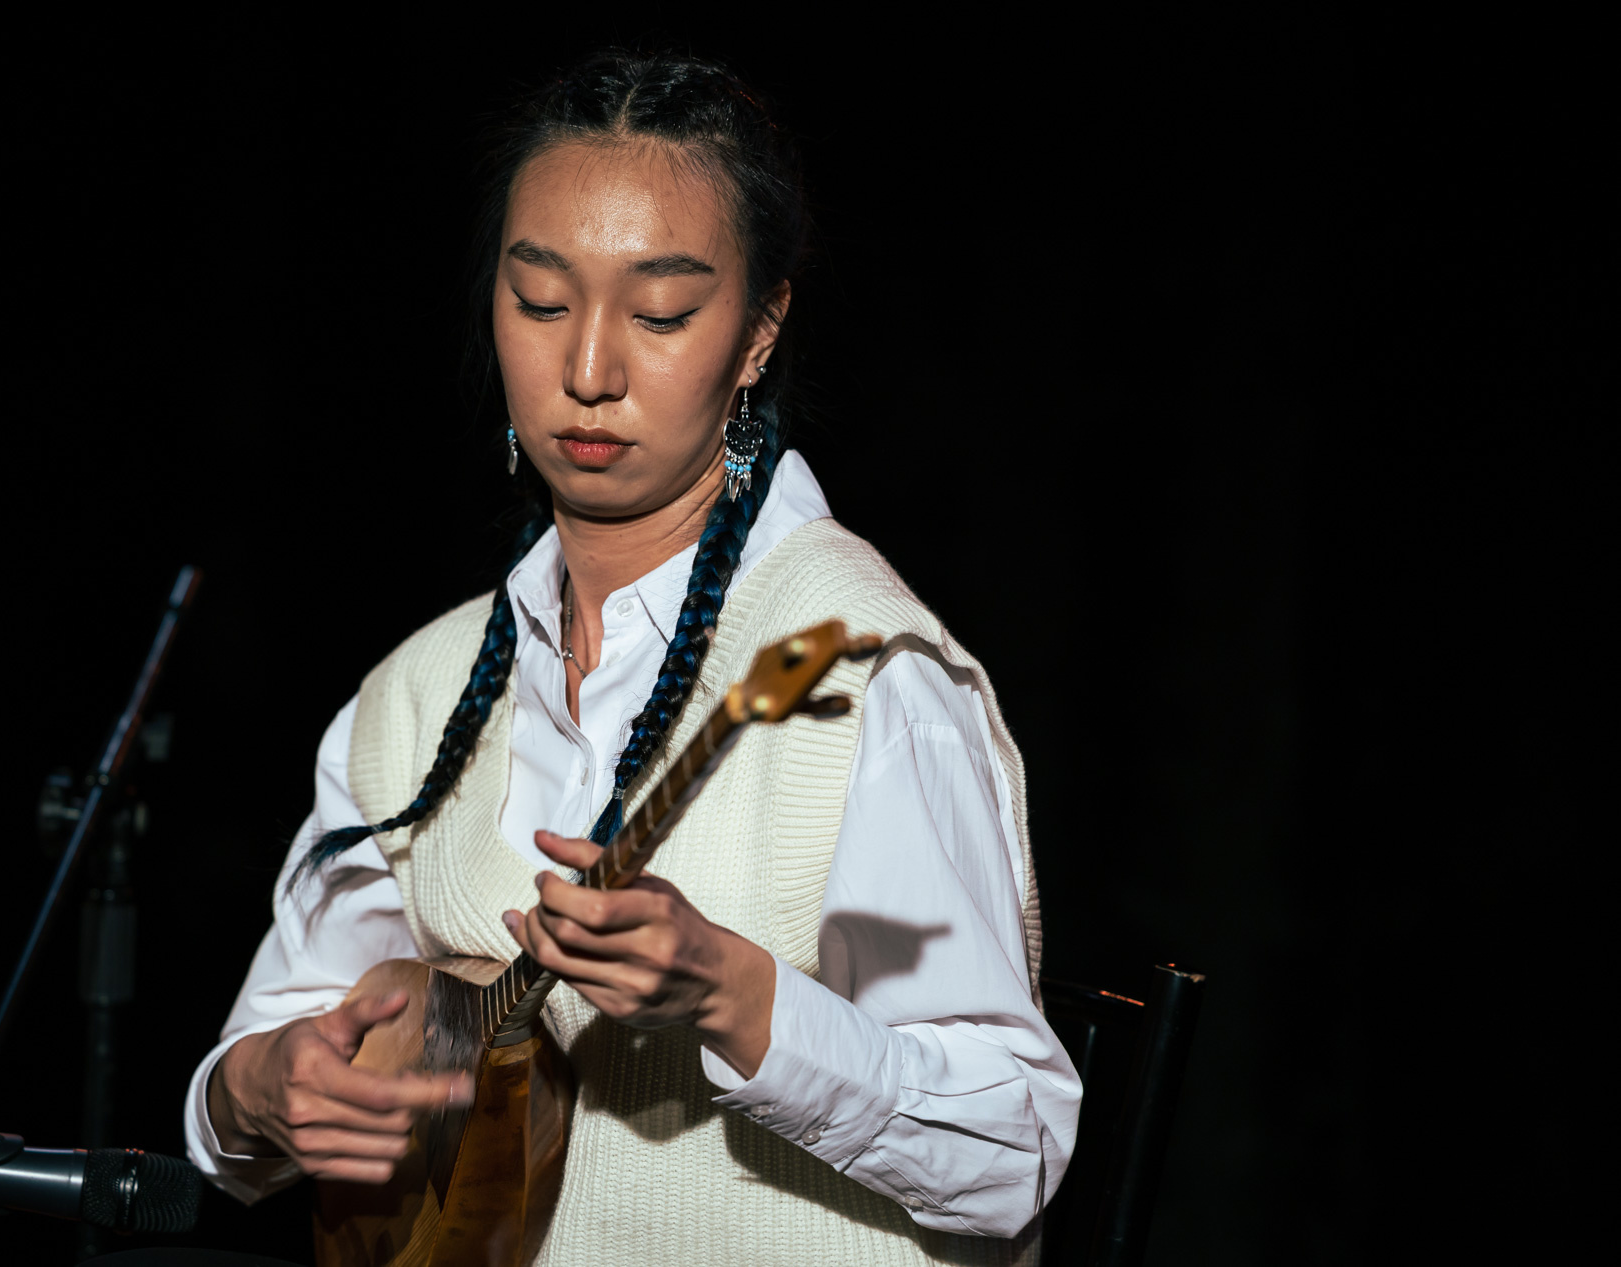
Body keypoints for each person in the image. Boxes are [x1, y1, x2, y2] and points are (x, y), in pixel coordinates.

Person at [185, 50, 1081, 1266]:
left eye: (660, 313)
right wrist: (263, 1087)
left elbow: (1013, 1149)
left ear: (759, 333)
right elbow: (252, 1075)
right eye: (539, 302)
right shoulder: (415, 698)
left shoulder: (866, 674)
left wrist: (735, 996)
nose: (588, 372)